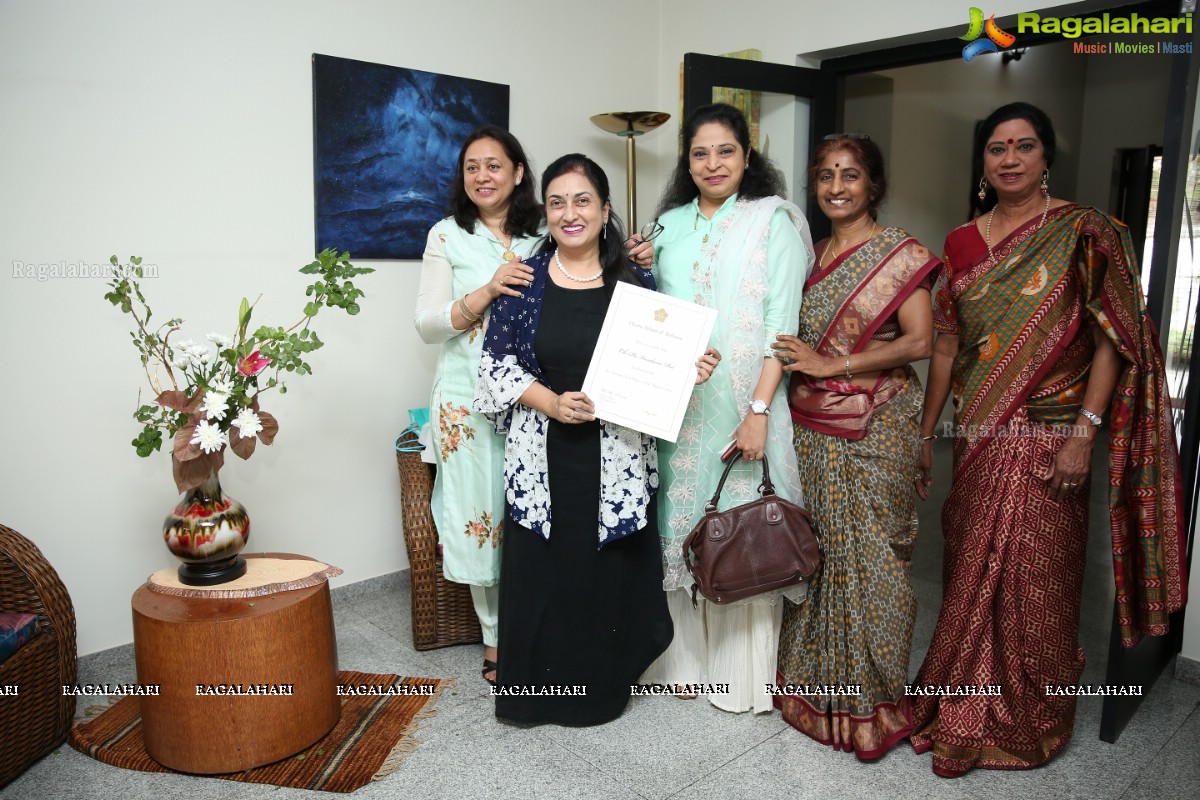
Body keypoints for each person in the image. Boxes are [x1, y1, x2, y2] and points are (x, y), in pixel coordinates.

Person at [910, 102, 1186, 777]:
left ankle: (1030, 718)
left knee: (1041, 581)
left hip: (1055, 432)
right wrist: (925, 431)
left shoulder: (1084, 232)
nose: (1008, 158)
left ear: (1045, 158)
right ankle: (960, 707)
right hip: (980, 432)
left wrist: (1084, 435)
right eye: (996, 147)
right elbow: (947, 346)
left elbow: (1112, 341)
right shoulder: (961, 243)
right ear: (982, 162)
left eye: (1023, 146)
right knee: (970, 570)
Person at [475, 153, 713, 726]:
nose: (569, 212)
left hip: (617, 456)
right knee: (547, 571)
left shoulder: (637, 282)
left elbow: (656, 365)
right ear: (546, 213)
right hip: (544, 454)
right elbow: (493, 369)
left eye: (582, 200)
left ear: (606, 211)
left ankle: (601, 691)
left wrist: (688, 369)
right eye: (557, 202)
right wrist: (551, 402)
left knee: (604, 572)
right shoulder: (523, 281)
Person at [770, 134, 939, 757]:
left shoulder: (901, 255)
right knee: (820, 554)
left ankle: (874, 702)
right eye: (824, 176)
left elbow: (920, 342)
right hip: (811, 430)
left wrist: (830, 363)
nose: (836, 187)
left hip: (877, 426)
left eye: (849, 175)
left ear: (874, 185)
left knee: (874, 560)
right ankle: (816, 693)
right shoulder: (811, 256)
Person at [642, 103, 814, 714]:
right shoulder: (666, 227)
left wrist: (760, 409)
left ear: (748, 155)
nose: (712, 164)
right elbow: (651, 317)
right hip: (679, 411)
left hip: (747, 403)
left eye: (725, 151)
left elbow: (781, 325)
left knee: (742, 532)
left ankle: (740, 681)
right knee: (684, 528)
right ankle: (683, 667)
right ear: (686, 162)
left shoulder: (773, 223)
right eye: (699, 153)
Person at [414, 125, 541, 687]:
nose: (483, 176)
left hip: (537, 397)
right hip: (467, 402)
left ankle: (541, 626)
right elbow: (426, 325)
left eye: (494, 165)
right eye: (472, 167)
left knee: (534, 518)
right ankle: (496, 638)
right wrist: (487, 290)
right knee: (479, 520)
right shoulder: (447, 236)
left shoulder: (546, 232)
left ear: (517, 172)